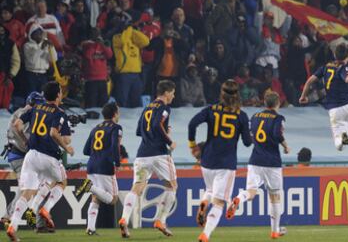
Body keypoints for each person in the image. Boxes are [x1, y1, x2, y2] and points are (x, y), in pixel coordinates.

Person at [7, 81, 74, 242]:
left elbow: (17, 125)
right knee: (61, 182)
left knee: (27, 193)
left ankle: (13, 227)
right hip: (49, 156)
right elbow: (53, 133)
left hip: (31, 155)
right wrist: (67, 148)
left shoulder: (36, 108)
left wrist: (25, 140)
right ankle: (46, 208)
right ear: (58, 94)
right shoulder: (59, 112)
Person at [188, 79, 252, 242]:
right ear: (237, 95)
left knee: (210, 190)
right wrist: (250, 135)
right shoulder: (241, 116)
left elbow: (192, 123)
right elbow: (246, 142)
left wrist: (193, 145)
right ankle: (205, 235)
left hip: (207, 161)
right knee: (219, 203)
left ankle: (204, 202)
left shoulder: (211, 109)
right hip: (226, 164)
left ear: (221, 94)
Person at [118, 80, 177, 238]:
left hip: (142, 154)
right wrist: (169, 141)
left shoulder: (146, 108)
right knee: (172, 186)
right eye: (172, 92)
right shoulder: (165, 108)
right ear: (166, 92)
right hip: (159, 154)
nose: (173, 95)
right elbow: (157, 124)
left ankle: (124, 219)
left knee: (137, 188)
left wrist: (162, 130)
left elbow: (139, 131)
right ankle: (160, 220)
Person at [226, 91, 289, 239]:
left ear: (264, 103)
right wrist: (285, 145)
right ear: (278, 103)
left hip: (255, 160)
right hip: (272, 162)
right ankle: (274, 230)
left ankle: (239, 198)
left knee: (251, 191)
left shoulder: (255, 117)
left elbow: (249, 135)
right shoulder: (278, 118)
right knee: (274, 197)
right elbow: (277, 134)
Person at [75, 102, 122, 235]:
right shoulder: (116, 127)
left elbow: (85, 150)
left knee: (96, 198)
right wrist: (117, 163)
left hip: (92, 165)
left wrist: (97, 154)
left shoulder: (95, 128)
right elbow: (115, 147)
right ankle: (89, 187)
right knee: (113, 199)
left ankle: (90, 228)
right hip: (105, 166)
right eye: (118, 111)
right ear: (114, 114)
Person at [1, 92, 45, 229]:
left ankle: (32, 220)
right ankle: (9, 217)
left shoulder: (18, 112)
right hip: (21, 155)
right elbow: (24, 133)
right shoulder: (29, 114)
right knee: (27, 188)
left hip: (15, 154)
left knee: (30, 188)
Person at [112, 25, 149, 107]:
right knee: (122, 101)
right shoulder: (117, 37)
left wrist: (133, 30)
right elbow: (123, 41)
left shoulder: (134, 39)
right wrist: (129, 29)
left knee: (136, 101)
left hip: (136, 74)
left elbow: (146, 41)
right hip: (124, 74)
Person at [81, 27, 113, 108]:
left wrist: (102, 44)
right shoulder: (87, 45)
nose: (97, 35)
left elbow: (109, 55)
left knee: (103, 104)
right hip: (91, 79)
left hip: (102, 78)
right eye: (95, 33)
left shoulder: (103, 44)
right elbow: (88, 56)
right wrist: (93, 44)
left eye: (98, 33)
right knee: (91, 104)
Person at [23, 23, 57, 97]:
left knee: (43, 97)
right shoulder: (27, 46)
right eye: (36, 33)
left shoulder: (45, 44)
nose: (39, 35)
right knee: (32, 97)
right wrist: (41, 48)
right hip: (31, 74)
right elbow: (32, 62)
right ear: (31, 35)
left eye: (40, 33)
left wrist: (52, 47)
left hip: (43, 74)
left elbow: (53, 59)